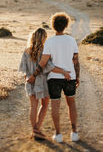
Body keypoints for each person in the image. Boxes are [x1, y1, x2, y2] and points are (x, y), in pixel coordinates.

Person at [27, 13, 80, 143]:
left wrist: (33, 75)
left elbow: (43, 62)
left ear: (53, 25)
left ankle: (58, 134)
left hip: (54, 79)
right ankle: (74, 133)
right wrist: (77, 76)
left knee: (55, 106)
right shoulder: (72, 40)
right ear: (66, 25)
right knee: (71, 104)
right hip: (70, 77)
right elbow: (76, 61)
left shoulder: (50, 41)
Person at [19, 28, 71, 140]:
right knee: (44, 105)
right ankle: (37, 130)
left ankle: (35, 130)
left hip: (30, 82)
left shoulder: (26, 50)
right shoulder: (45, 51)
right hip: (43, 83)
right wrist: (63, 72)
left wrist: (28, 77)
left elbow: (23, 69)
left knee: (33, 106)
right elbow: (50, 67)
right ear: (43, 38)